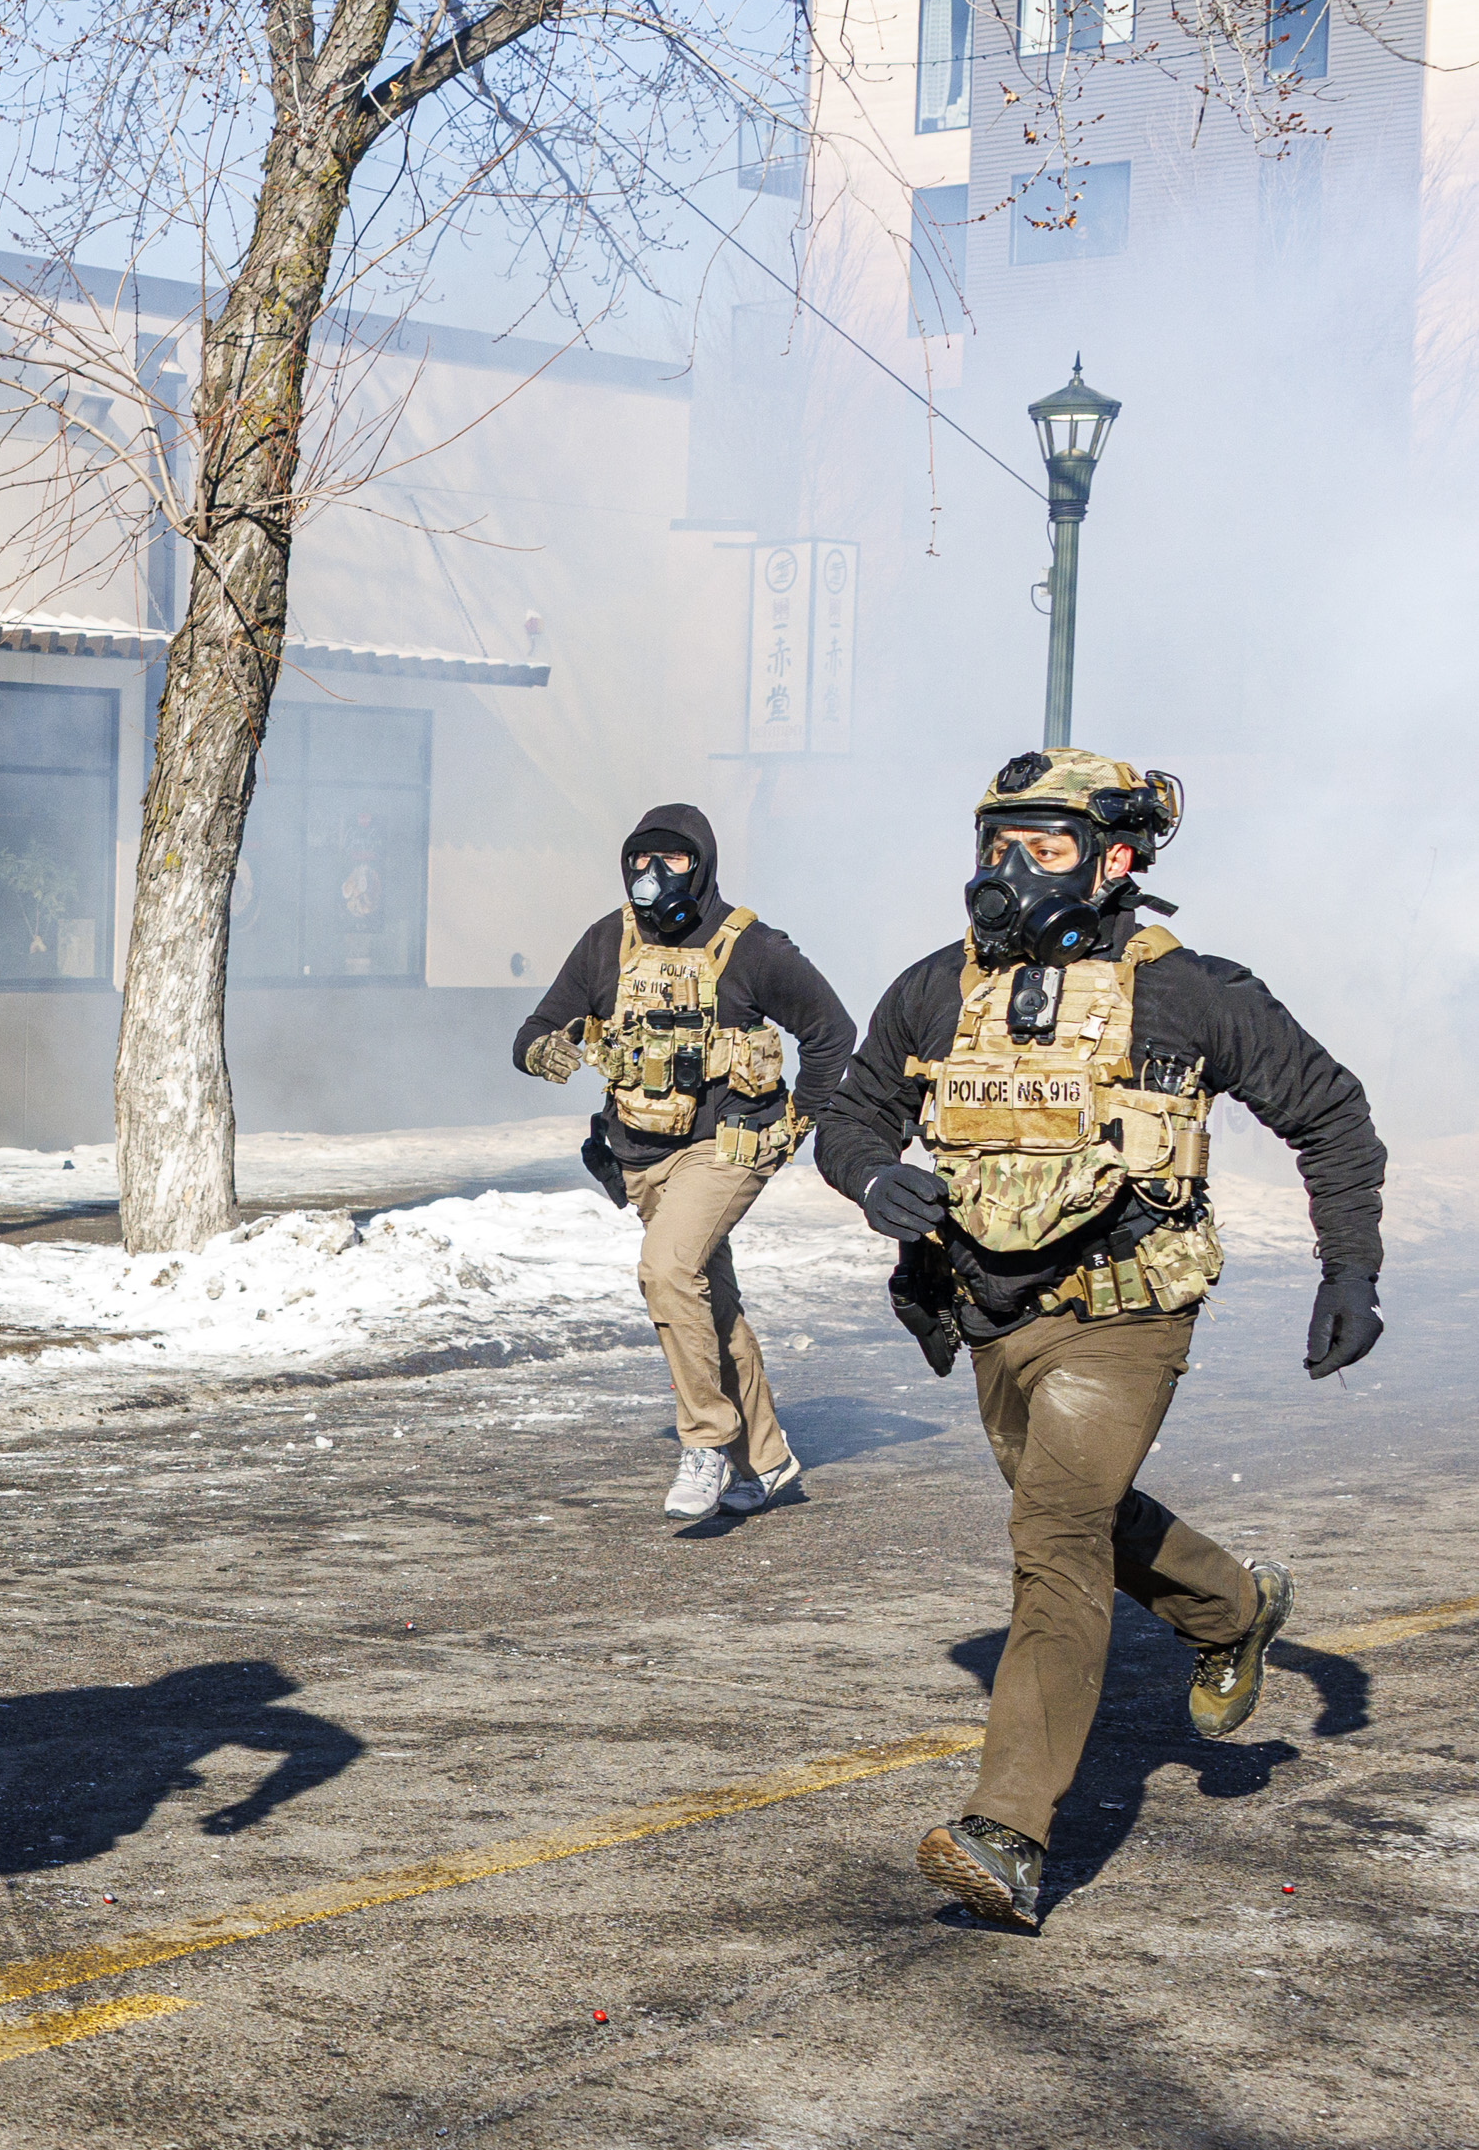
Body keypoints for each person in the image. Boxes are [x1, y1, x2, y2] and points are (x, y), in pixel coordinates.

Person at [814, 750, 1381, 1930]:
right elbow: (856, 1111)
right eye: (996, 841)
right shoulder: (934, 988)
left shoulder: (1191, 992)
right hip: (990, 1310)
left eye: (1048, 844)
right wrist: (874, 1179)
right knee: (1078, 1508)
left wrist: (1352, 1272)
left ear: (1119, 860)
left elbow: (1330, 1115)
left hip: (1126, 1309)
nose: (1010, 868)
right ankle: (1231, 1608)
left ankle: (1009, 1830)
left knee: (1056, 1532)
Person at [512, 802, 856, 1520]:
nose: (651, 876)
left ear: (700, 865)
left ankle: (705, 1440)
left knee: (666, 1269)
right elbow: (538, 1025)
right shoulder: (609, 940)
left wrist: (798, 1123)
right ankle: (767, 1460)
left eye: (670, 861)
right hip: (640, 1153)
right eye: (639, 860)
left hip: (725, 1146)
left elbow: (832, 1029)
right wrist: (542, 1049)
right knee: (706, 1301)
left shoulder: (750, 946)